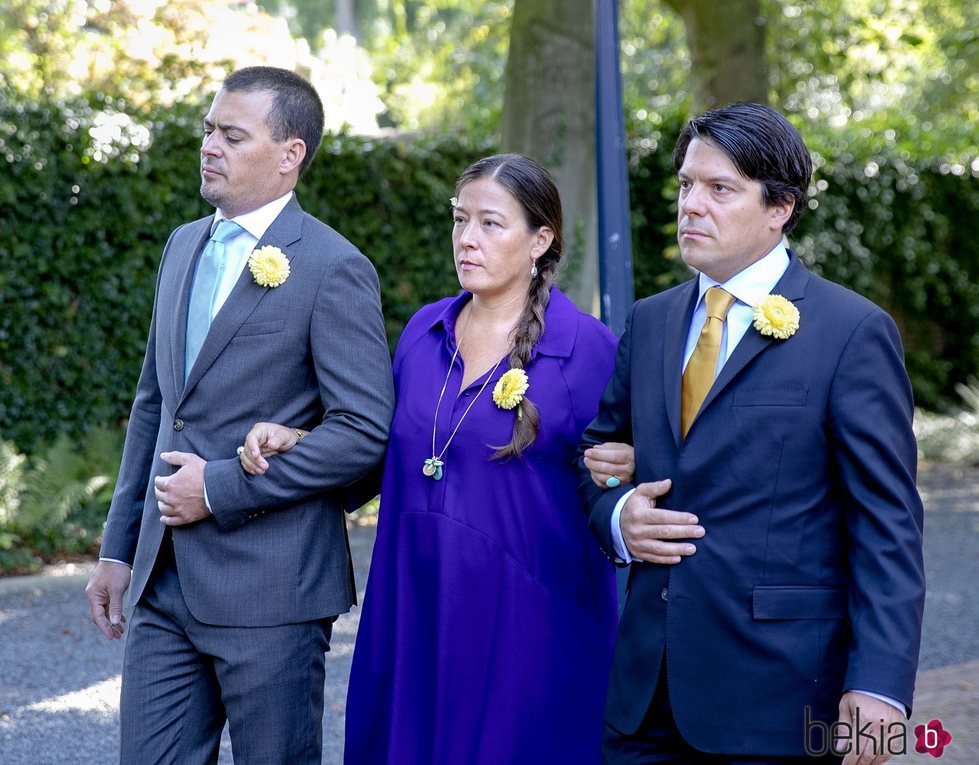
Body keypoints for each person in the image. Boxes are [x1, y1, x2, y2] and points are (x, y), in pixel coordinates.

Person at [240, 153, 628, 763]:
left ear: (541, 239)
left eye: (490, 224)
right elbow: (385, 456)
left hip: (531, 627)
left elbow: (617, 489)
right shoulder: (423, 333)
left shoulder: (588, 350)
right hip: (414, 606)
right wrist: (304, 441)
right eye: (459, 220)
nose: (466, 239)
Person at [577, 103, 925, 764]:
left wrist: (879, 687)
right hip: (642, 699)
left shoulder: (850, 332)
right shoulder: (649, 322)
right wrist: (619, 515)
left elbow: (886, 523)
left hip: (782, 701)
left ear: (779, 208)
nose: (690, 205)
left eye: (718, 188)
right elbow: (596, 455)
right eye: (684, 185)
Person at [84, 66, 394, 765]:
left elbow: (363, 433)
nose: (209, 147)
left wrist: (219, 487)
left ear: (290, 155)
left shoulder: (334, 267)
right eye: (207, 131)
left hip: (272, 591)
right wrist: (117, 548)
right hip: (162, 586)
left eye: (232, 134)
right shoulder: (182, 246)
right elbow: (156, 407)